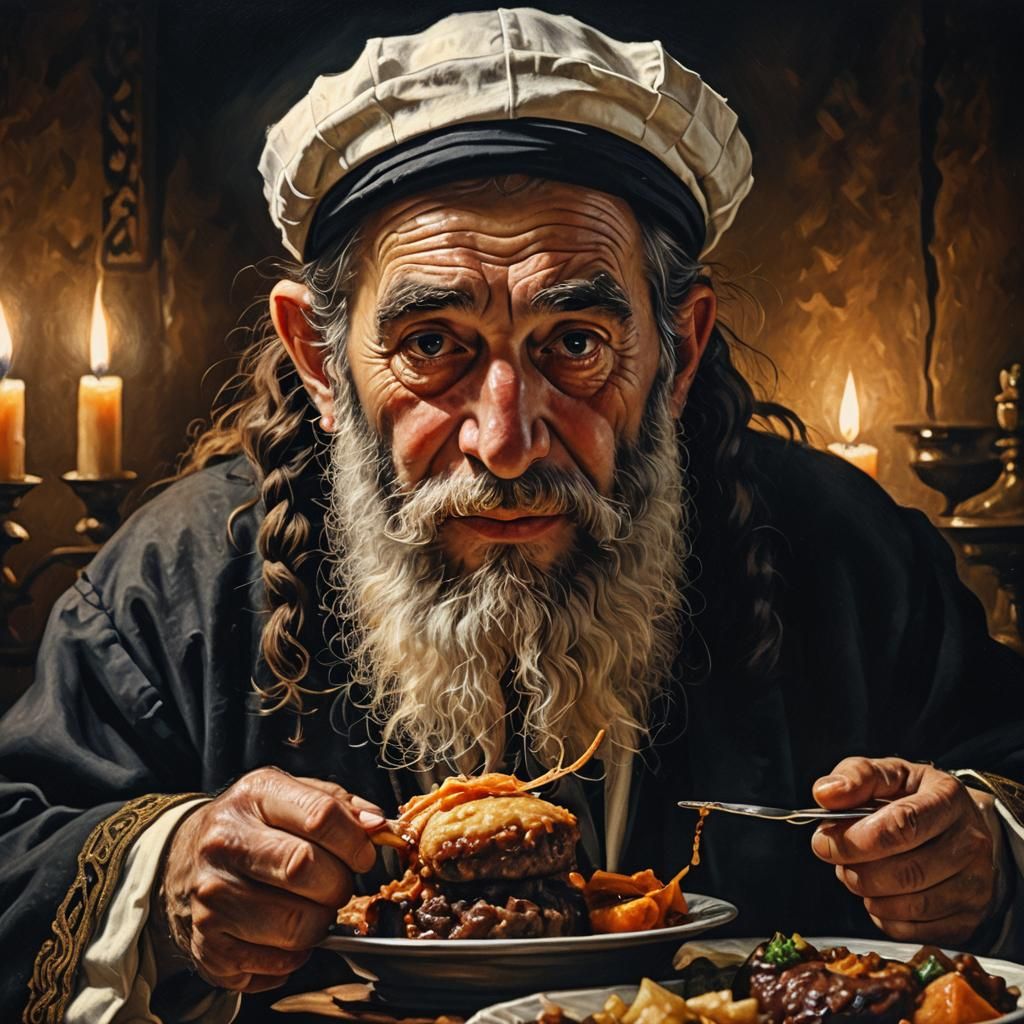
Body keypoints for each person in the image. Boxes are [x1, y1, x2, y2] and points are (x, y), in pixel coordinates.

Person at [2, 8, 1023, 1022]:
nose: (505, 440)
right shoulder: (180, 575)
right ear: (319, 358)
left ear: (677, 346)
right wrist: (169, 867)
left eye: (573, 342)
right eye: (433, 344)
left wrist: (983, 852)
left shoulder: (843, 553)